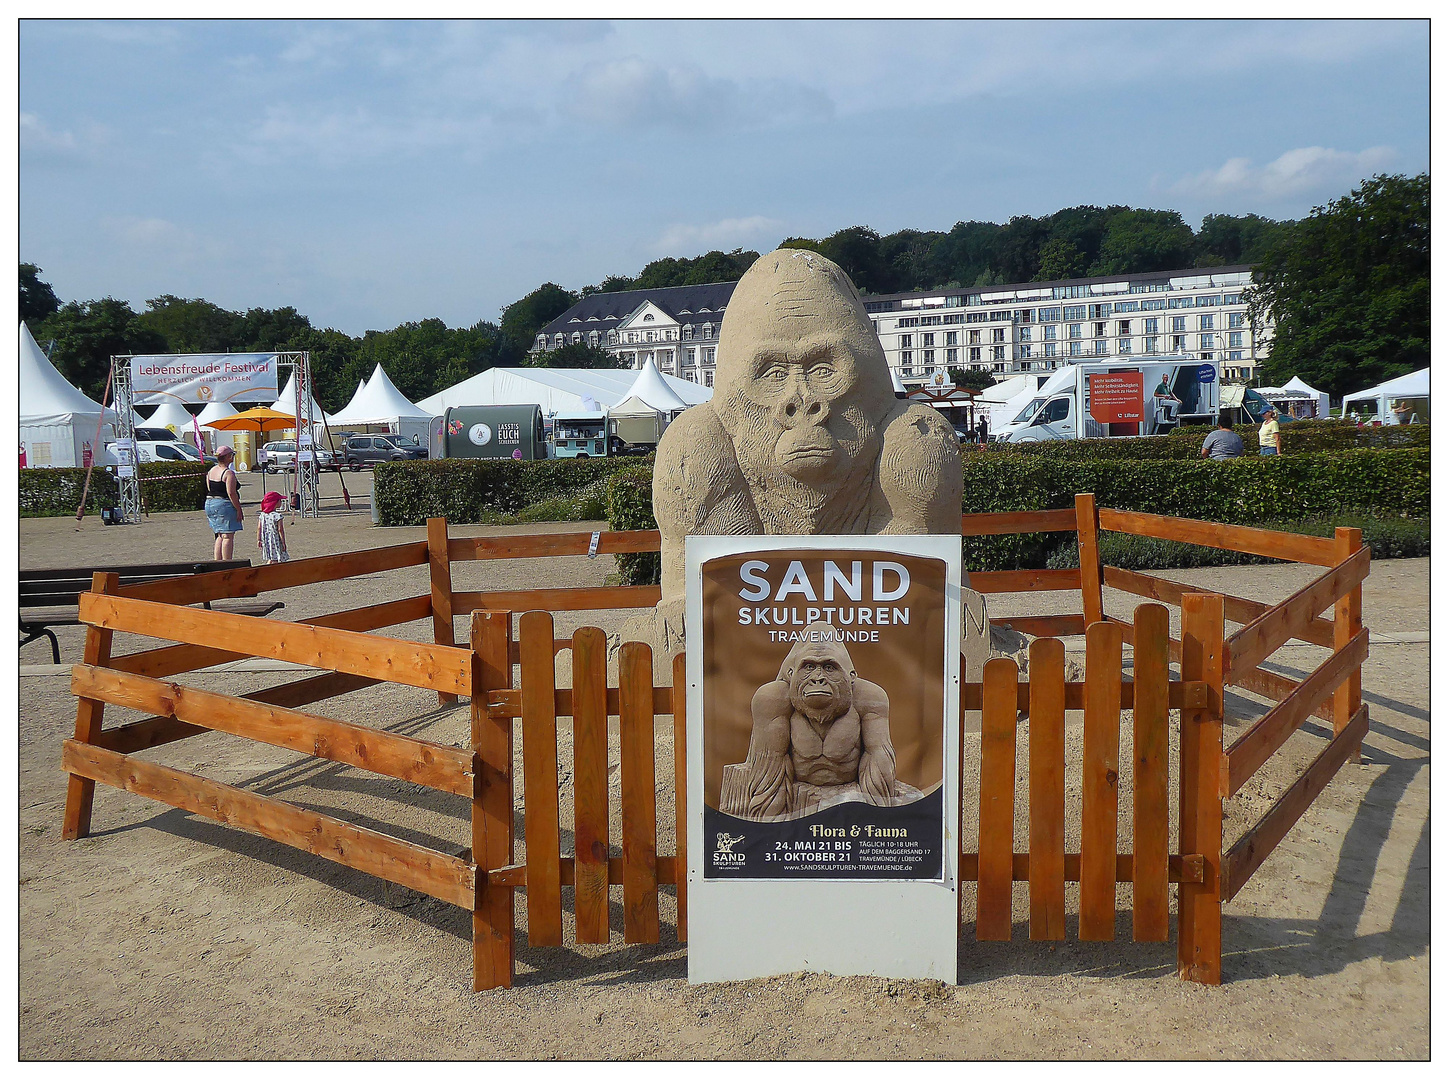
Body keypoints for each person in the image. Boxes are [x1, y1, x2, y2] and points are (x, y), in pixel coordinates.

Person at [205, 445, 244, 559]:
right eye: (232, 455)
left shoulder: (211, 471)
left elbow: (209, 488)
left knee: (219, 535)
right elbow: (231, 492)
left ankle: (218, 562)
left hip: (210, 503)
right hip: (223, 503)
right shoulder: (228, 473)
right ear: (227, 457)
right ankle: (227, 562)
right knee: (227, 535)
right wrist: (238, 509)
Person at [256, 490, 289, 564]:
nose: (281, 502)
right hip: (275, 539)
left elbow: (259, 528)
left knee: (270, 557)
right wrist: (283, 542)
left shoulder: (263, 515)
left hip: (266, 539)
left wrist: (259, 539)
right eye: (280, 500)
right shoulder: (277, 516)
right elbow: (280, 530)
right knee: (276, 558)